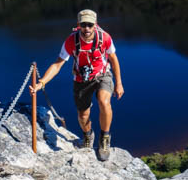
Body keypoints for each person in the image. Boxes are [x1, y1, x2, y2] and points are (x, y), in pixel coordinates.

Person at [30, 9, 124, 160]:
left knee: (103, 101)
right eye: (83, 25)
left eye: (90, 25)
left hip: (102, 75)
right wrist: (41, 83)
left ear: (95, 25)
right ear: (78, 24)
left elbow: (113, 59)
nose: (87, 28)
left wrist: (119, 83)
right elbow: (57, 65)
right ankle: (88, 136)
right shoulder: (71, 41)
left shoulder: (104, 38)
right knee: (83, 115)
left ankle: (105, 139)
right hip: (81, 79)